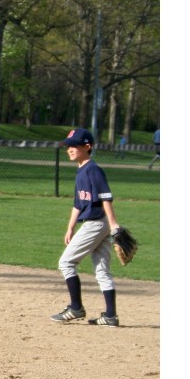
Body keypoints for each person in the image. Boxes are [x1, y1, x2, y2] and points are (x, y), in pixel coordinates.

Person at [51, 128, 123, 327]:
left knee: (66, 263)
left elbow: (106, 197)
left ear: (87, 147)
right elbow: (77, 203)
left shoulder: (93, 170)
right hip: (97, 223)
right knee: (102, 271)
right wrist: (70, 227)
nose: (70, 149)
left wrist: (114, 224)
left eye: (74, 145)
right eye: (68, 146)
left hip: (97, 222)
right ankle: (110, 316)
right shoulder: (81, 171)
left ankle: (76, 307)